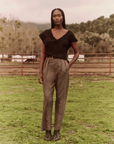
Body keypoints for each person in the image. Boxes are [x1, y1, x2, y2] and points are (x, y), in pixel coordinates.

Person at [38, 8, 79, 141]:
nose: (57, 18)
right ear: (52, 18)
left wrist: (69, 64)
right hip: (48, 65)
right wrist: (40, 72)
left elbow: (77, 52)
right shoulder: (46, 34)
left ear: (62, 17)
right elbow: (43, 53)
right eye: (54, 16)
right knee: (48, 98)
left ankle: (57, 130)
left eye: (59, 15)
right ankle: (47, 130)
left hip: (63, 66)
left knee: (61, 99)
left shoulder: (69, 34)